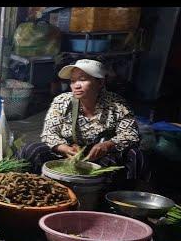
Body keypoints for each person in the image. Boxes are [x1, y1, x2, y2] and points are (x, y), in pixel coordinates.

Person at [19, 59, 148, 186]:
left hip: (101, 158)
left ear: (100, 82)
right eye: (73, 81)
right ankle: (34, 187)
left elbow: (131, 135)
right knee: (31, 149)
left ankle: (114, 197)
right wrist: (64, 148)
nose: (76, 85)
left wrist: (108, 145)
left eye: (82, 79)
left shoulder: (117, 105)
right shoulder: (62, 101)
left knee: (135, 155)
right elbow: (49, 134)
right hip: (67, 155)